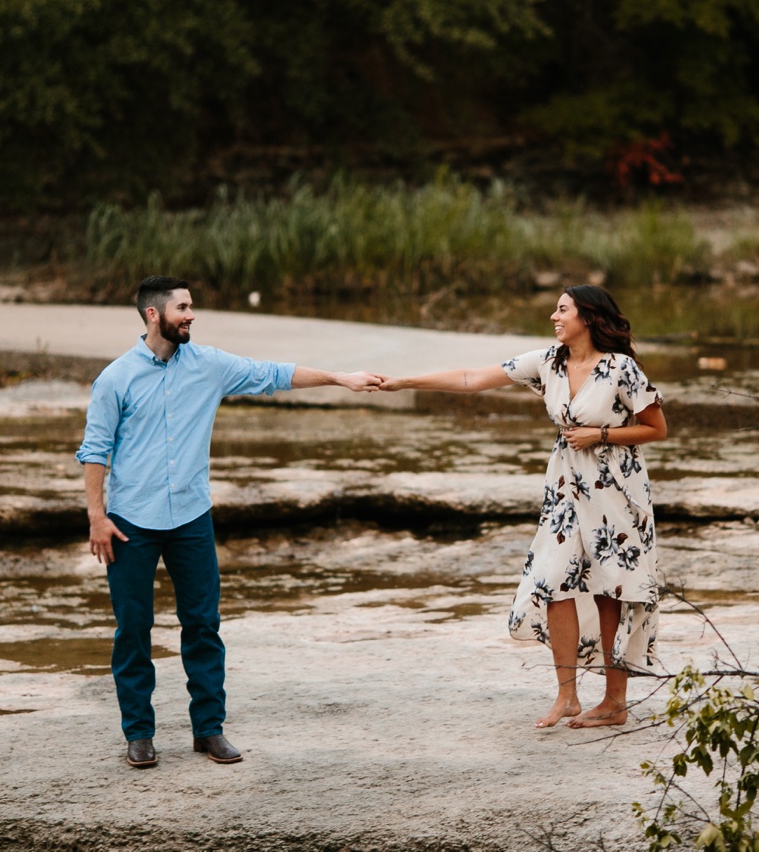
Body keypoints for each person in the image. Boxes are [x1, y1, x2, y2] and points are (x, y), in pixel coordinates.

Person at [77, 275, 381, 768]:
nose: (191, 315)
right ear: (154, 315)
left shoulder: (210, 365)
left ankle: (208, 730)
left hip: (192, 517)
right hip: (130, 521)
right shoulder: (116, 379)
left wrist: (340, 378)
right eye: (183, 308)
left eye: (191, 306)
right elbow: (95, 452)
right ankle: (139, 734)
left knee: (203, 625)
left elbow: (274, 374)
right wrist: (96, 517)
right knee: (133, 629)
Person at [379, 285, 667, 728]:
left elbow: (656, 428)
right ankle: (567, 696)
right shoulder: (547, 361)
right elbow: (471, 379)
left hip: (617, 492)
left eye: (562, 309)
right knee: (553, 581)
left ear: (587, 318)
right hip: (566, 488)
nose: (554, 316)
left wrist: (601, 435)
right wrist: (404, 382)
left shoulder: (620, 369)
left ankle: (614, 702)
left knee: (612, 590)